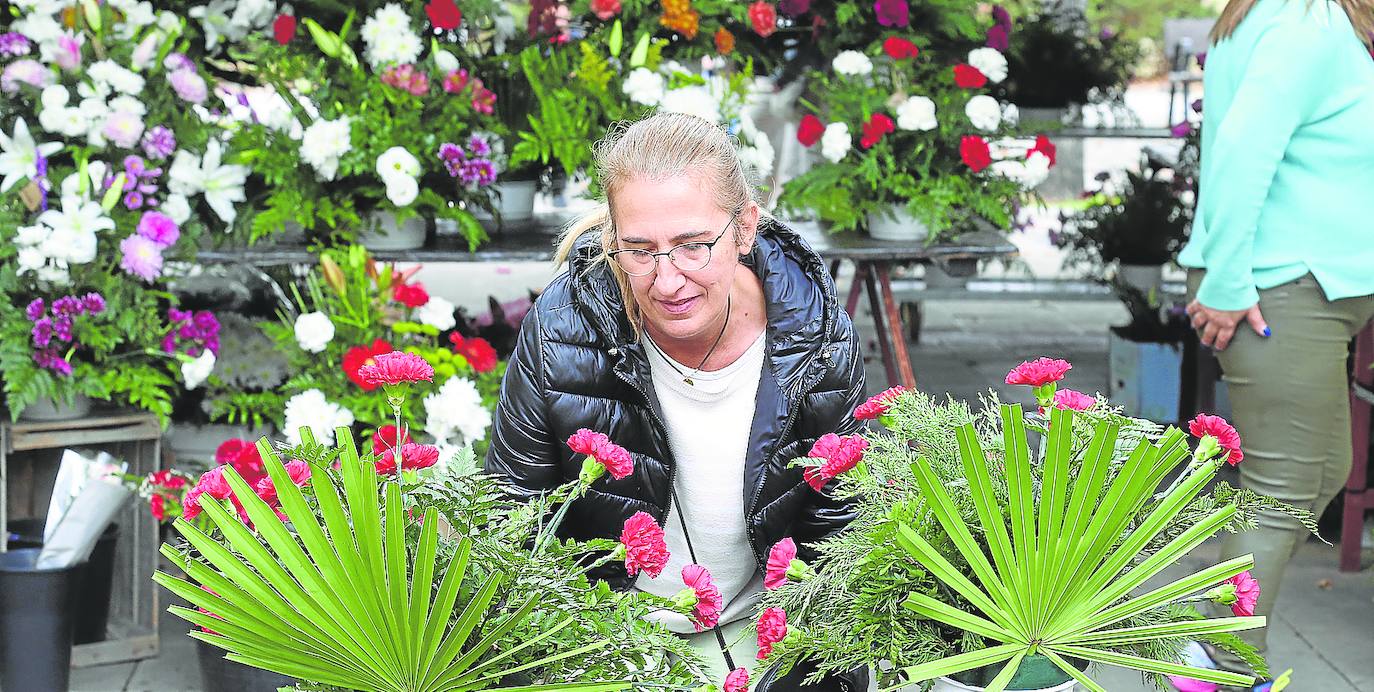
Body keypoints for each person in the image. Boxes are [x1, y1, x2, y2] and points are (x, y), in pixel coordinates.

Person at [484, 112, 870, 691]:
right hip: (601, 639)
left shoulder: (815, 332)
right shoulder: (563, 327)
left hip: (764, 635)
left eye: (692, 247)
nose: (668, 281)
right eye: (639, 251)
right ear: (612, 241)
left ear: (743, 230)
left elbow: (842, 529)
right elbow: (511, 519)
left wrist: (800, 659)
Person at [1178, 0, 1374, 689]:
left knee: (1322, 470)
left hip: (1300, 289)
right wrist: (1229, 282)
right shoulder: (1304, 22)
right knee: (1285, 484)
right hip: (1280, 289)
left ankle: (1208, 631)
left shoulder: (1293, 17)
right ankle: (1220, 664)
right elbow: (1242, 150)